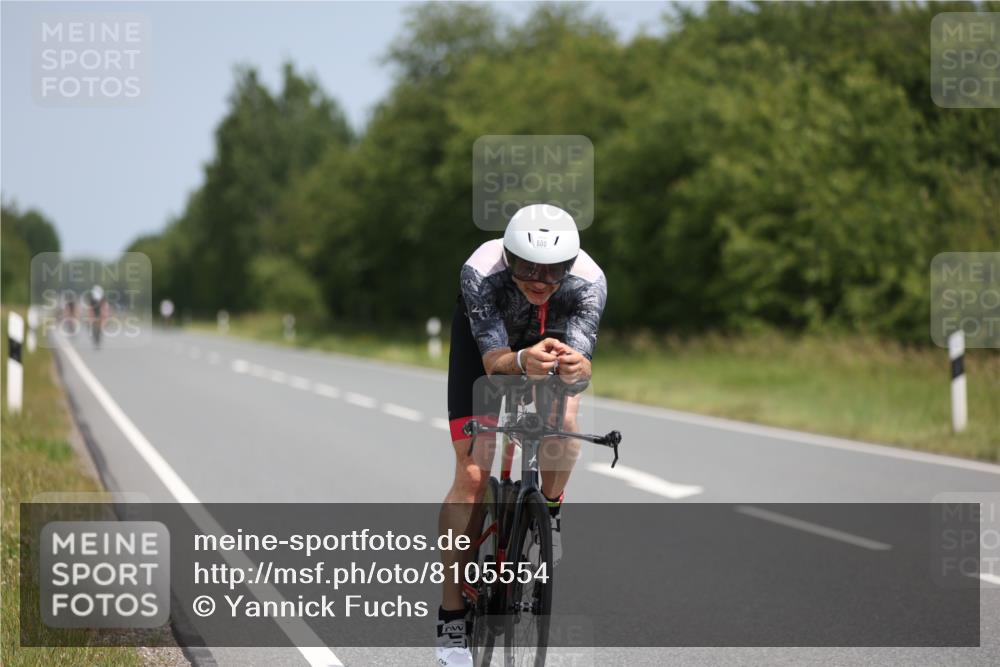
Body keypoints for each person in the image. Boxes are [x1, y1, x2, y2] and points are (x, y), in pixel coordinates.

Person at [436, 204, 607, 666]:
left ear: (570, 266)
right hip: (487, 347)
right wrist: (519, 361)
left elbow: (582, 365)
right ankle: (451, 620)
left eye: (553, 271)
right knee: (473, 474)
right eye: (527, 266)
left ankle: (548, 511)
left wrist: (580, 367)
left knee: (567, 417)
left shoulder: (589, 281)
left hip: (553, 335)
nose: (539, 278)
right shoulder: (481, 271)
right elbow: (494, 364)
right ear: (508, 256)